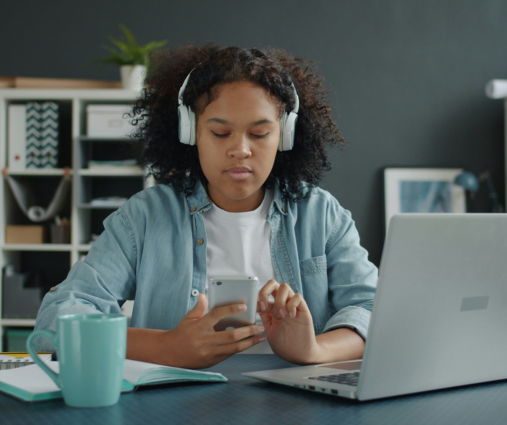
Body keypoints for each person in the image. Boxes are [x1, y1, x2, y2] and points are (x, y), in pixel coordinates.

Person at [34, 44, 378, 369]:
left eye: (259, 134)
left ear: (285, 136)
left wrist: (314, 350)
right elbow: (55, 321)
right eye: (220, 133)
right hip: (173, 405)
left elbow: (374, 310)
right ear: (190, 132)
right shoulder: (144, 218)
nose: (240, 149)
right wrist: (165, 347)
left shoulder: (322, 215)